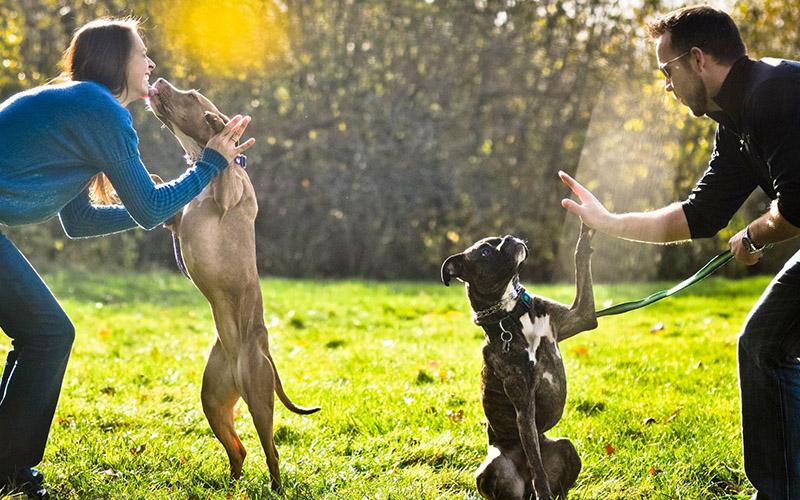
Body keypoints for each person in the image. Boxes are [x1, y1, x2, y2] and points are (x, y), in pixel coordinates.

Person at [0, 17, 255, 499]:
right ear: (118, 61)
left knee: (42, 333)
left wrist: (168, 209)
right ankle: (10, 469)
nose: (152, 63)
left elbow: (80, 221)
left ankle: (6, 461)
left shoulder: (80, 108)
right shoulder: (98, 109)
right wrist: (209, 166)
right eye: (143, 53)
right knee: (48, 333)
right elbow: (150, 205)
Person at [560, 6, 800, 500]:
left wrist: (754, 235)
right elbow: (700, 216)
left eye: (666, 70)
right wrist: (608, 222)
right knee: (763, 344)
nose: (665, 85)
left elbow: (798, 206)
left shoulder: (773, 93)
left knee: (764, 344)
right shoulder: (734, 121)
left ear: (697, 59)